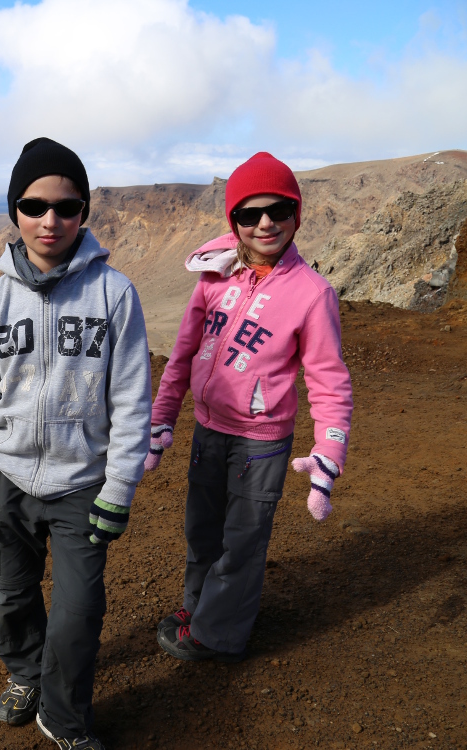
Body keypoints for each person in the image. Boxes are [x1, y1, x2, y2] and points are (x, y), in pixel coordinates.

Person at [0, 137, 152, 750]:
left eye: (67, 207)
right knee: (13, 595)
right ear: (14, 209)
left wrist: (120, 487)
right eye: (34, 205)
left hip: (81, 482)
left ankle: (64, 719)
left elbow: (131, 398)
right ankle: (26, 674)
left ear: (84, 212)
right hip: (9, 479)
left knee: (80, 608)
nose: (50, 220)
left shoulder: (113, 294)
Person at [146, 151, 354, 662]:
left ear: (296, 214)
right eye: (249, 213)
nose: (265, 223)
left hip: (261, 443)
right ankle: (200, 608)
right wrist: (162, 417)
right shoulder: (215, 276)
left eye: (279, 210)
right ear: (233, 220)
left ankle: (217, 636)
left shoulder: (312, 294)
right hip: (208, 428)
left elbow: (329, 380)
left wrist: (329, 451)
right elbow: (183, 354)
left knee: (242, 541)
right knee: (202, 529)